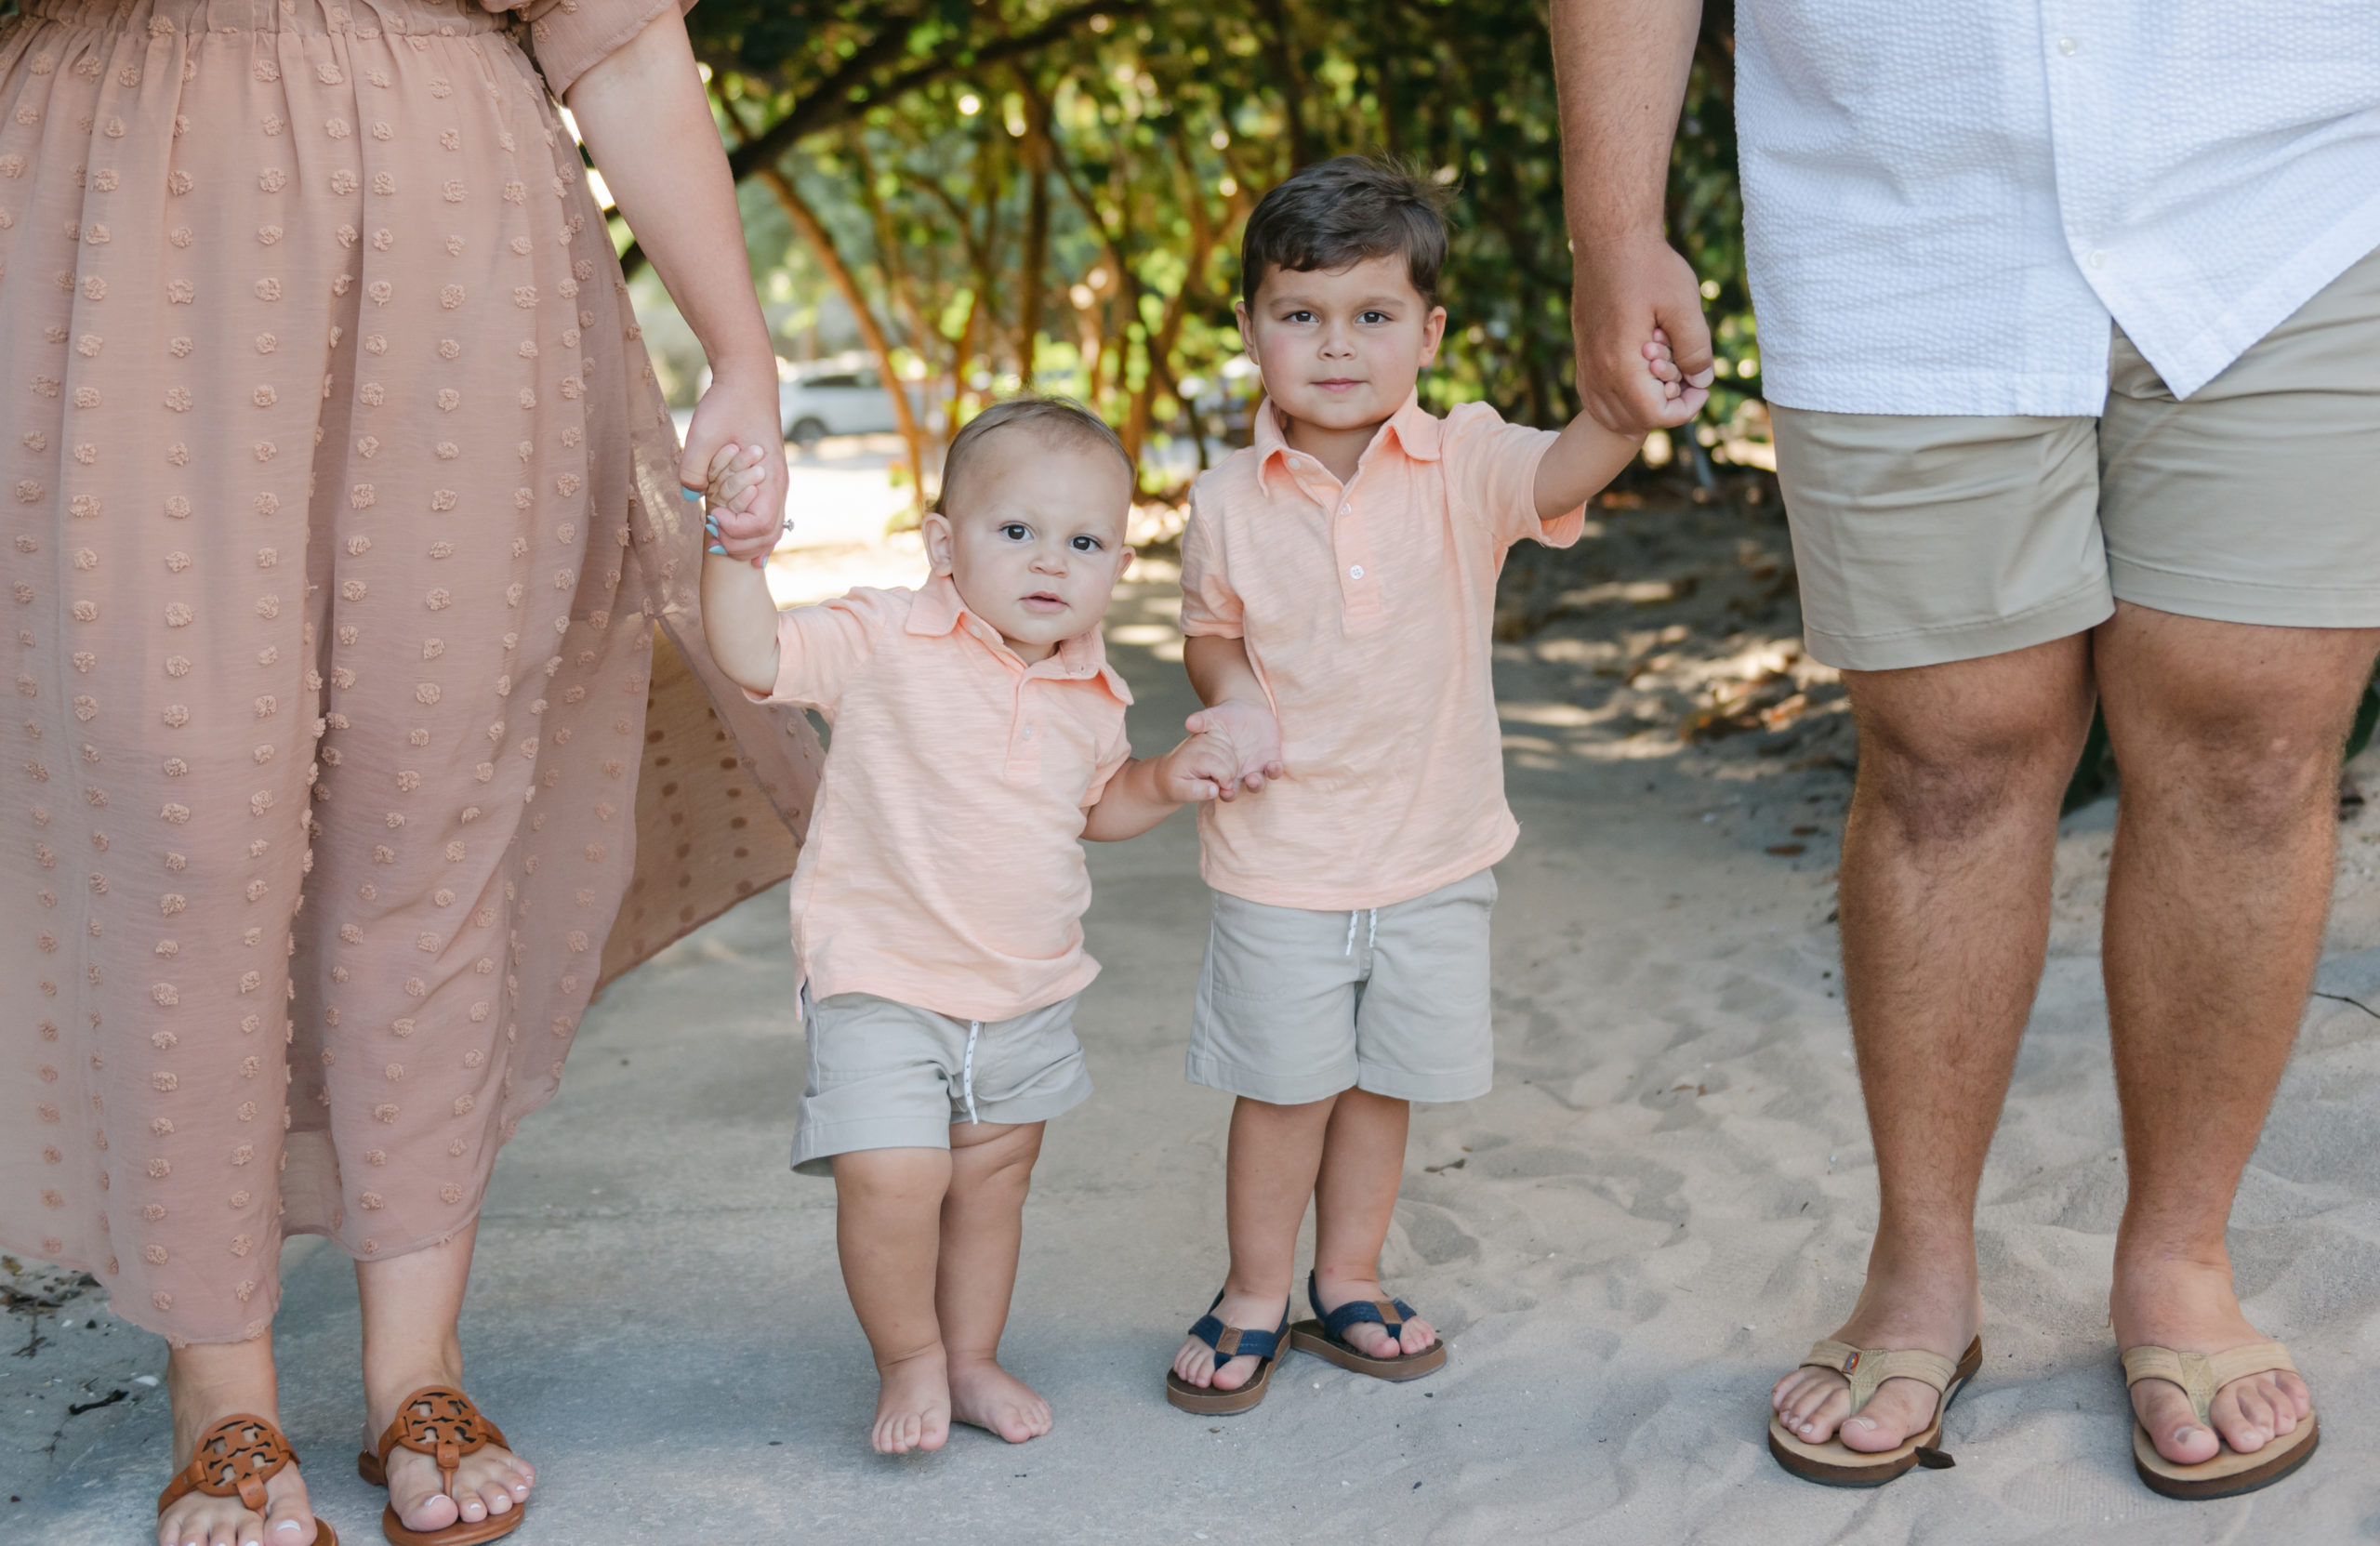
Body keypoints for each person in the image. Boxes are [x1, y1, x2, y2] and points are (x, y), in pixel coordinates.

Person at [1553, 0, 2380, 1499]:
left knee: (2256, 739)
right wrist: (1611, 224)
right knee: (1950, 758)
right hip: (1896, 208)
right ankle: (1921, 1266)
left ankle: (2182, 1258)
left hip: (2307, 187)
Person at [0, 2, 804, 1542]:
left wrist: (741, 349)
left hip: (455, 226)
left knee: (428, 814)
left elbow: (621, 40)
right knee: (184, 818)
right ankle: (218, 1388)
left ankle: (415, 1365)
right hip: (104, 220)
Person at [1162, 158, 1661, 1412]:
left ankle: (1349, 1274)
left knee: (1383, 1081)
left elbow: (1573, 466)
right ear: (1252, 327)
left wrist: (1631, 400)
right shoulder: (1223, 499)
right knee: (1285, 1089)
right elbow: (1208, 626)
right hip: (1282, 856)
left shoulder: (1469, 461)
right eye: (1302, 314)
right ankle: (1253, 1290)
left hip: (1435, 851)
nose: (1338, 347)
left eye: (1373, 315)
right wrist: (1227, 687)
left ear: (1428, 332)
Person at [700, 397, 1255, 1453]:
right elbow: (756, 657)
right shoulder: (882, 636)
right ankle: (908, 1359)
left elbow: (1097, 806)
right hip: (882, 975)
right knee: (894, 1173)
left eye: (1084, 541)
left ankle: (970, 1357)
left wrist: (1165, 779)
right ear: (943, 544)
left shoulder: (1092, 686)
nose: (1051, 561)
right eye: (1016, 531)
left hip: (1024, 992)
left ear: (1117, 564)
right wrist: (736, 553)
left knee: (993, 1185)